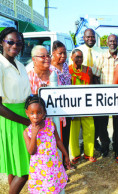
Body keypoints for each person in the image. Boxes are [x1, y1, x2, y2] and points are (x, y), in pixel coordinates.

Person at [0, 27, 31, 193]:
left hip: (23, 116)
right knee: (25, 169)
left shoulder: (20, 65)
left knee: (15, 166)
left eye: (19, 43)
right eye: (10, 42)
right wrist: (27, 122)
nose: (15, 46)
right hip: (10, 120)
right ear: (1, 43)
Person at [23, 95, 70, 193]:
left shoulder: (51, 125)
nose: (35, 116)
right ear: (27, 113)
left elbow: (58, 141)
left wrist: (65, 155)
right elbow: (31, 151)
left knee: (55, 188)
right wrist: (34, 134)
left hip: (54, 166)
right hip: (40, 171)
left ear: (44, 113)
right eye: (32, 113)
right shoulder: (27, 132)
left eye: (39, 113)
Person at [92, 34, 118, 157]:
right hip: (103, 96)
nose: (112, 43)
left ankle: (117, 145)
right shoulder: (101, 57)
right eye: (110, 41)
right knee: (102, 123)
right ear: (107, 42)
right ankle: (105, 145)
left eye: (114, 41)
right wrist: (99, 91)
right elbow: (95, 75)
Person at [69, 49, 96, 163]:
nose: (79, 59)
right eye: (77, 57)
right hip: (73, 105)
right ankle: (75, 155)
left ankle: (89, 154)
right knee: (73, 131)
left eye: (81, 57)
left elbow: (91, 85)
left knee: (90, 128)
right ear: (71, 57)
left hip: (86, 104)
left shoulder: (88, 70)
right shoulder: (68, 70)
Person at [50, 40, 72, 168]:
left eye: (65, 53)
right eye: (60, 53)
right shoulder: (50, 68)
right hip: (56, 110)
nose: (63, 56)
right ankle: (58, 167)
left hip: (67, 108)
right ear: (53, 53)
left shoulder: (65, 66)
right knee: (57, 139)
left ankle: (66, 162)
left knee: (66, 138)